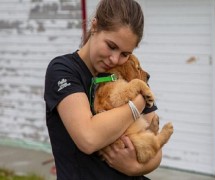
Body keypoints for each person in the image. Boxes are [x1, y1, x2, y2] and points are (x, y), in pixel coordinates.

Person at [44, 0, 161, 179]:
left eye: (125, 54)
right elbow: (88, 138)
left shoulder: (130, 72)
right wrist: (137, 103)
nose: (115, 59)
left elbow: (157, 150)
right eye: (111, 46)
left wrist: (134, 168)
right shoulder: (64, 70)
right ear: (95, 26)